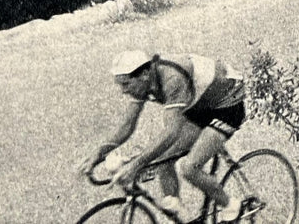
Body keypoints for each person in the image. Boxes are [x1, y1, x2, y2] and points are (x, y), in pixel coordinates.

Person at [81, 50, 251, 222]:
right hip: (199, 104)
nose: (123, 91)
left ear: (145, 74)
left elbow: (171, 132)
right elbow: (127, 125)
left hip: (227, 103)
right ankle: (180, 213)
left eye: (126, 84)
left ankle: (231, 205)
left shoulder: (172, 79)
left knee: (189, 168)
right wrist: (99, 152)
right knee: (163, 157)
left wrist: (135, 165)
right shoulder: (143, 83)